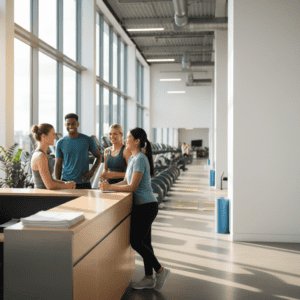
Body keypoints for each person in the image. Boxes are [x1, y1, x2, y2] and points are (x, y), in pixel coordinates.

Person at [99, 127, 170, 290]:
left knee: (136, 242)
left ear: (137, 141)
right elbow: (125, 181)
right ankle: (148, 277)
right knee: (146, 242)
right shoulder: (133, 158)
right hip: (142, 206)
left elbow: (132, 187)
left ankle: (160, 270)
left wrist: (110, 188)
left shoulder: (140, 159)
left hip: (147, 206)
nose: (126, 139)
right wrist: (108, 186)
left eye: (129, 137)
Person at [55, 113, 101, 189]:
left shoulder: (87, 140)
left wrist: (92, 172)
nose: (70, 126)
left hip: (84, 182)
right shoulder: (60, 143)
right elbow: (58, 164)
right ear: (65, 125)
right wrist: (58, 182)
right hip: (66, 182)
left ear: (78, 124)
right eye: (68, 124)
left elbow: (99, 156)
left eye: (73, 124)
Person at [31, 123, 76, 190]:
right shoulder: (40, 156)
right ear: (43, 136)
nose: (55, 137)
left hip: (46, 195)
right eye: (53, 134)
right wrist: (67, 186)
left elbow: (51, 180)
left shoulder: (43, 154)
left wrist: (65, 183)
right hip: (41, 197)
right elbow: (50, 185)